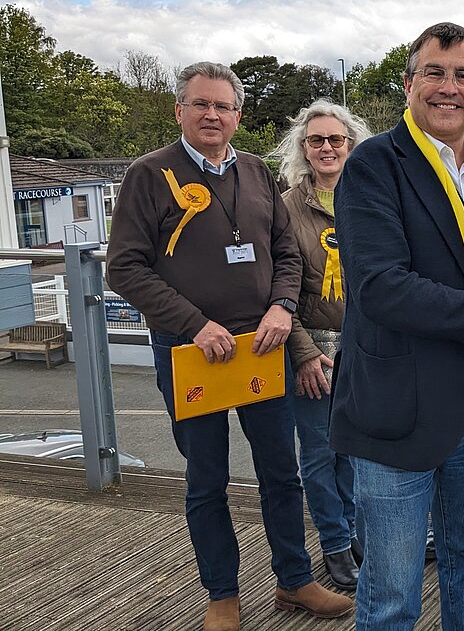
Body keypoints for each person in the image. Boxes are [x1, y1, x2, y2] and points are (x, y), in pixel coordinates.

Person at [106, 61, 352, 631]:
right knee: (207, 478)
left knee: (281, 472)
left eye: (223, 106)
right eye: (201, 104)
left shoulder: (258, 173)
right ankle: (222, 596)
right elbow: (125, 267)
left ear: (239, 115)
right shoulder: (149, 174)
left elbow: (286, 257)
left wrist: (280, 309)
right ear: (180, 111)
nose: (212, 114)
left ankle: (294, 581)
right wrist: (194, 324)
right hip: (191, 350)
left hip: (261, 347)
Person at [329, 22, 464, 630]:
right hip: (396, 407)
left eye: (463, 75)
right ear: (408, 84)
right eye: (435, 72)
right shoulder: (374, 164)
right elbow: (381, 287)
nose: (449, 87)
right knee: (394, 584)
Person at [275, 98, 372, 590]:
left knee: (354, 451)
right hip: (310, 350)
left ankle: (356, 535)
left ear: (351, 145)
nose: (328, 147)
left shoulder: (370, 196)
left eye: (337, 139)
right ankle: (334, 545)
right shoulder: (286, 207)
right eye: (317, 140)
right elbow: (277, 288)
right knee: (318, 453)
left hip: (364, 348)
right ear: (304, 148)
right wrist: (302, 353)